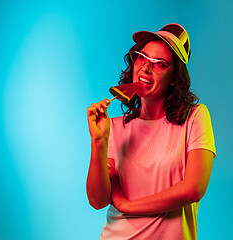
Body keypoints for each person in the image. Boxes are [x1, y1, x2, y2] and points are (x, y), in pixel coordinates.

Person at [86, 23, 216, 240]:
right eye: (142, 57)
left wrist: (127, 205)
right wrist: (98, 141)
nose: (146, 68)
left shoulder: (195, 117)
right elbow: (97, 201)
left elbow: (193, 189)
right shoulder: (113, 128)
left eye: (160, 64)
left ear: (175, 79)